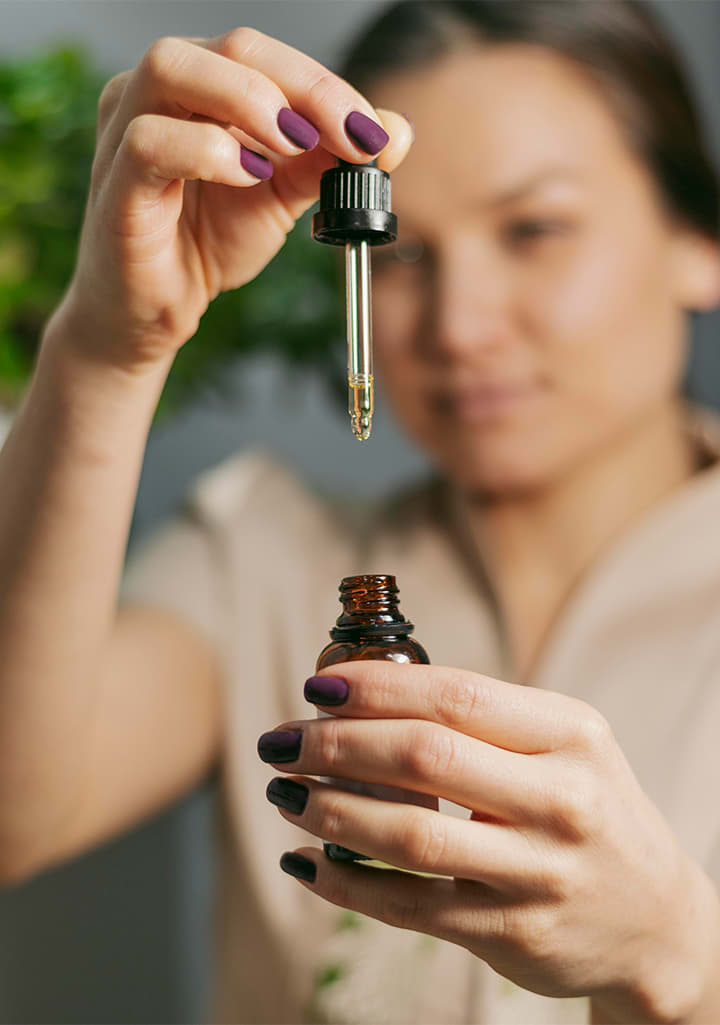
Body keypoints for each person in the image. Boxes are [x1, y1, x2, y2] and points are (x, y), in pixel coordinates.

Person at [1, 1, 719, 1022]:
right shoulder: (262, 552)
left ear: (699, 239)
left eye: (534, 229)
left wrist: (686, 954)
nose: (460, 328)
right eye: (401, 253)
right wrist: (108, 349)